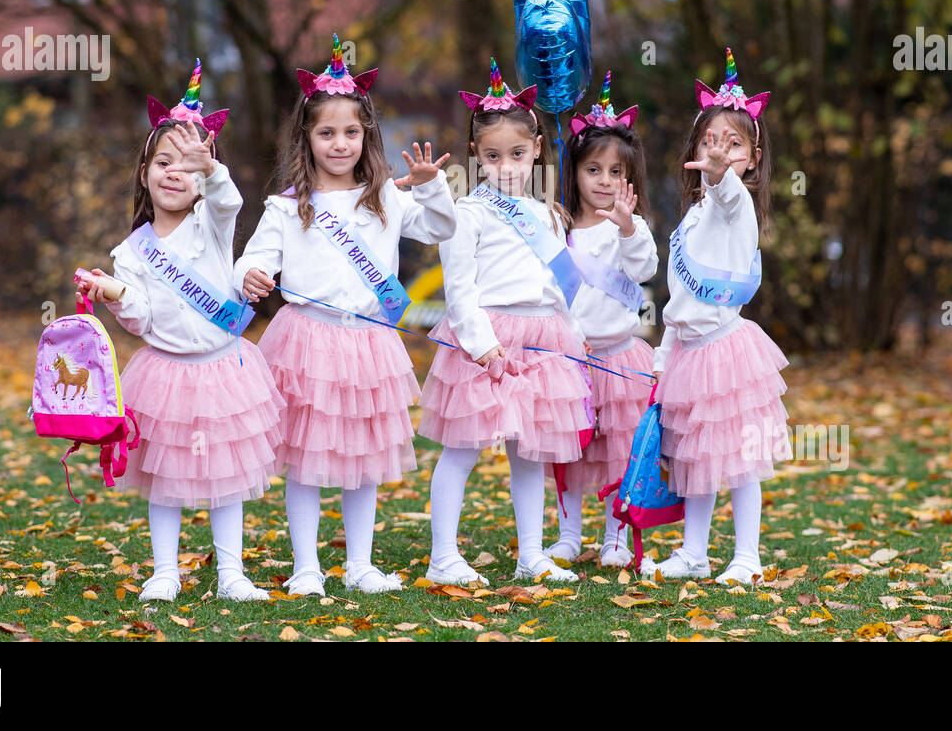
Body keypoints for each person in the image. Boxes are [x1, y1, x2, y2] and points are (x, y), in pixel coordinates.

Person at [235, 34, 456, 596]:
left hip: (367, 343)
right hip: (305, 341)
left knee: (363, 455)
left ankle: (360, 563)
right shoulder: (287, 207)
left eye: (351, 132)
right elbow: (252, 261)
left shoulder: (384, 197)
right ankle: (306, 566)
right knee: (306, 459)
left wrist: (432, 192)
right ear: (306, 138)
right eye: (326, 132)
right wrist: (249, 278)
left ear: (367, 136)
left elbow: (440, 230)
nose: (340, 143)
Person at [79, 62, 285, 602]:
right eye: (163, 162)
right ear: (144, 171)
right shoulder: (130, 252)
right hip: (165, 375)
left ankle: (232, 574)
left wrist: (210, 170)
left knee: (228, 477)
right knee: (164, 481)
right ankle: (165, 571)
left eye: (186, 167)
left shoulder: (209, 225)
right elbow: (141, 318)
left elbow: (230, 202)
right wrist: (116, 292)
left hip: (224, 369)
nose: (174, 173)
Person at [419, 60, 592, 586]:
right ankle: (443, 555)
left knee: (529, 453)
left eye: (517, 154)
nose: (507, 166)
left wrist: (571, 339)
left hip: (542, 339)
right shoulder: (466, 213)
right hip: (489, 343)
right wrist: (481, 346)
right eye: (492, 156)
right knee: (463, 449)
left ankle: (531, 553)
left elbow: (553, 288)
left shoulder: (546, 213)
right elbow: (459, 290)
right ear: (476, 156)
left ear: (537, 148)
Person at [652, 48, 791, 584]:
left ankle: (747, 557)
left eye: (734, 145)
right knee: (694, 459)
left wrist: (722, 177)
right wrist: (663, 357)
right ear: (694, 148)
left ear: (753, 158)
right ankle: (693, 552)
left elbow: (729, 197)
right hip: (688, 352)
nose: (719, 153)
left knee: (738, 460)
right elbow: (676, 303)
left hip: (726, 352)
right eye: (709, 142)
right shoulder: (692, 215)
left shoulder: (738, 208)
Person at [543, 73, 659, 568]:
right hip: (571, 359)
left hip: (618, 359)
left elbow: (647, 268)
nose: (605, 182)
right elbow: (549, 294)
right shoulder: (559, 227)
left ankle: (615, 535)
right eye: (594, 170)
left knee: (618, 452)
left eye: (616, 173)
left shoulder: (631, 229)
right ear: (575, 173)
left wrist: (631, 229)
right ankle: (569, 534)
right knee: (567, 452)